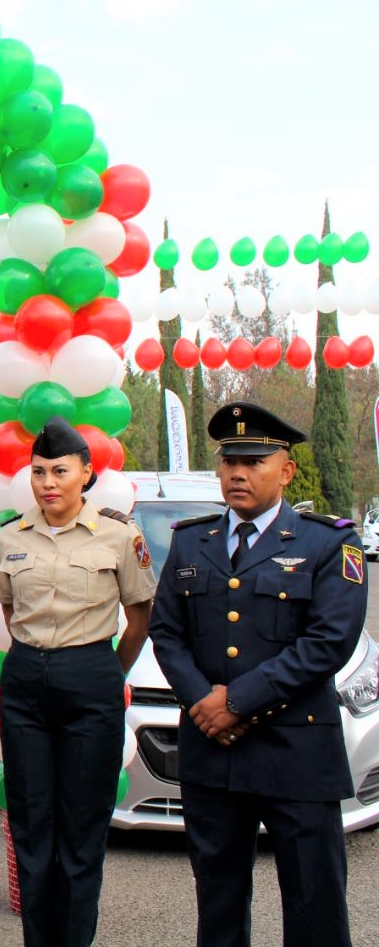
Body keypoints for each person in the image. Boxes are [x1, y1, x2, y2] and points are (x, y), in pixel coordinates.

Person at [150, 402, 366, 947]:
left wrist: (236, 701)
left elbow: (328, 643)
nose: (237, 474)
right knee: (218, 903)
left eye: (252, 461)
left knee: (314, 902)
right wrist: (204, 702)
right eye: (228, 462)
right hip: (213, 753)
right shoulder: (189, 540)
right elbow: (167, 634)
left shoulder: (328, 542)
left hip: (296, 751)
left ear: (286, 470)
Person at [0, 417, 156, 947]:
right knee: (33, 831)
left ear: (86, 473)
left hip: (90, 681)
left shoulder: (119, 533)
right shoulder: (13, 534)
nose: (47, 483)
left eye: (60, 470)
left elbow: (140, 617)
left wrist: (104, 672)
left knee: (81, 836)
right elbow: (11, 614)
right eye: (38, 472)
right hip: (26, 684)